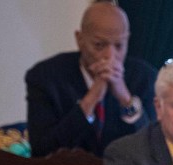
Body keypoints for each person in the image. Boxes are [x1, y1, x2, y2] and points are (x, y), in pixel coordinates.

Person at [25, 1, 157, 157]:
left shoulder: (144, 77)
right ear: (80, 39)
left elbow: (154, 150)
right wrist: (91, 100)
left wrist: (126, 99)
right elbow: (42, 150)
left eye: (119, 46)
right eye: (99, 45)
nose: (110, 56)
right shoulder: (45, 77)